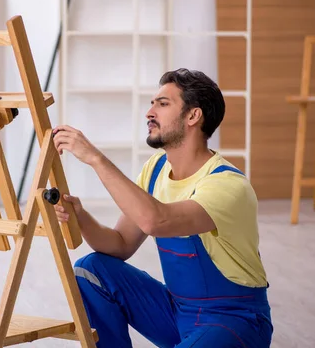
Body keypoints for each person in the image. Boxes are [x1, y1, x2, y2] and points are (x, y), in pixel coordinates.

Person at [52, 68, 273, 348]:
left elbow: (156, 221)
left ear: (194, 116)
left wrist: (96, 159)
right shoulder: (156, 170)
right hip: (177, 313)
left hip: (233, 321)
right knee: (91, 269)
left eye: (163, 104)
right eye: (152, 103)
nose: (149, 112)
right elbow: (120, 244)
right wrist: (81, 217)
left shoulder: (227, 185)